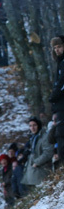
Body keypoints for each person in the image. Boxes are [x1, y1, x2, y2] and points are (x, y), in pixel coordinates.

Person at [21, 116, 53, 188]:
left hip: (41, 169)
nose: (32, 128)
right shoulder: (33, 138)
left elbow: (48, 152)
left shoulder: (44, 137)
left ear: (38, 125)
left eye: (34, 125)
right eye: (30, 126)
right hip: (33, 170)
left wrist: (36, 162)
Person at [48, 36, 64, 164]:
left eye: (59, 47)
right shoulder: (60, 62)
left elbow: (61, 83)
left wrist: (54, 95)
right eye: (55, 48)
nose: (57, 50)